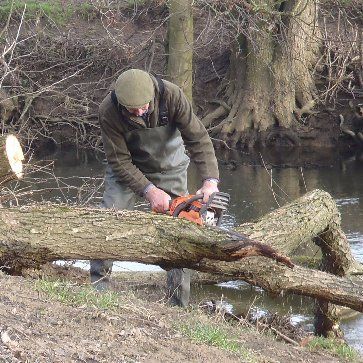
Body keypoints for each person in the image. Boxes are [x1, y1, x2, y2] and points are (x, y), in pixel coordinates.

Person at [91, 68, 219, 307]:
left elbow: (198, 138)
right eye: (132, 110)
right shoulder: (107, 111)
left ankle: (177, 302)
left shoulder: (172, 96)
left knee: (183, 228)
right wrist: (149, 190)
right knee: (108, 218)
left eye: (143, 107)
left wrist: (210, 181)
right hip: (127, 169)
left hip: (170, 166)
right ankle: (100, 292)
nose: (139, 113)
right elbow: (119, 161)